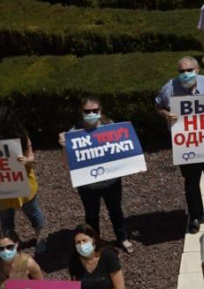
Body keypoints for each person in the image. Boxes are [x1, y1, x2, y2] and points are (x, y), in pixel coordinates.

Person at [155, 56, 204, 235]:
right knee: (191, 183)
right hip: (187, 146)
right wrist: (165, 114)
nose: (185, 74)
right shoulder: (169, 89)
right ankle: (195, 216)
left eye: (189, 70)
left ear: (197, 70)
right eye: (182, 71)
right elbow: (158, 106)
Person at [58, 97, 133, 254]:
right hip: (88, 185)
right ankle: (95, 241)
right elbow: (65, 163)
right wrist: (64, 146)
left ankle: (122, 238)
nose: (91, 113)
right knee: (91, 214)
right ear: (81, 112)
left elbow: (122, 149)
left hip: (111, 182)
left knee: (116, 210)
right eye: (87, 111)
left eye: (95, 110)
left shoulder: (110, 127)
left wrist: (134, 164)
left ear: (100, 111)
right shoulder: (73, 133)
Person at [0, 121, 47, 256]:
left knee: (33, 212)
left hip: (24, 184)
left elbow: (32, 158)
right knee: (5, 218)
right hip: (3, 188)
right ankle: (10, 242)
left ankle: (41, 238)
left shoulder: (22, 136)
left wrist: (27, 160)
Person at [68, 224, 125, 289]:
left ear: (93, 239)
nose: (82, 245)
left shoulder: (108, 256)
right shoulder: (74, 260)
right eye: (78, 242)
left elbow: (119, 287)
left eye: (84, 240)